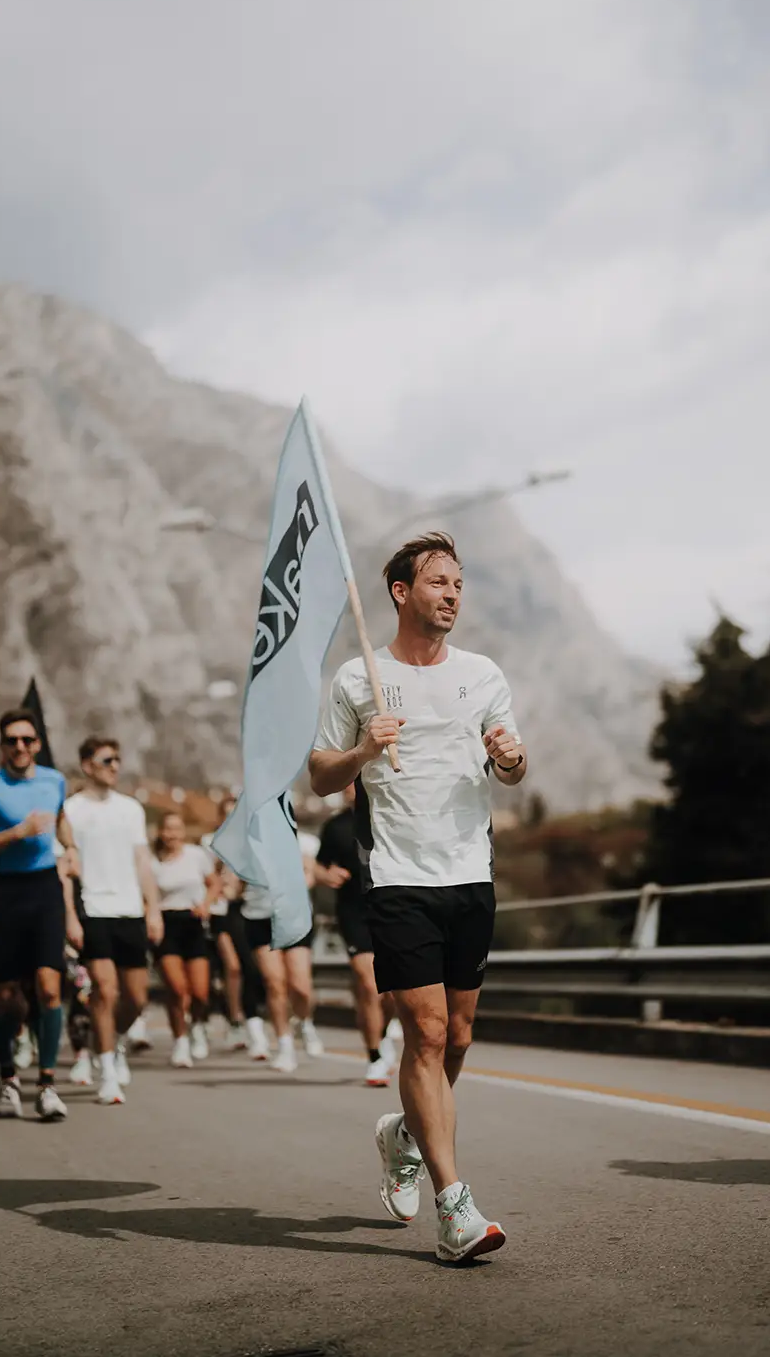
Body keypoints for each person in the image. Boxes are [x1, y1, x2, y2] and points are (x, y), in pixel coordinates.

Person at [309, 533, 526, 1263]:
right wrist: (363, 752)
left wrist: (511, 758)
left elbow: (514, 763)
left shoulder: (483, 674)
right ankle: (455, 1209)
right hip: (397, 877)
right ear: (402, 593)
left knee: (457, 1038)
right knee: (426, 1035)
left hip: (470, 873)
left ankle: (403, 1133)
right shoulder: (356, 678)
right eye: (439, 581)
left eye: (459, 583)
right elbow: (317, 775)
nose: (453, 594)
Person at [0, 709, 83, 1121]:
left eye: (27, 740)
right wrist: (16, 833)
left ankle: (48, 1085)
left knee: (50, 987)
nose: (20, 747)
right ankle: (8, 1079)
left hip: (45, 889)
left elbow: (61, 820)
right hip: (6, 891)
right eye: (12, 740)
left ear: (37, 744)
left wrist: (70, 849)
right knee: (3, 994)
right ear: (2, 745)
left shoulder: (54, 780)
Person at [64, 737, 164, 1104]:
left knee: (135, 998)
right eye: (107, 760)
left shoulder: (130, 809)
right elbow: (66, 871)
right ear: (87, 765)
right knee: (105, 991)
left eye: (118, 760)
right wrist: (70, 916)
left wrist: (153, 908)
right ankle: (106, 1072)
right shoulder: (71, 810)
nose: (115, 766)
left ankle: (113, 1042)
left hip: (130, 912)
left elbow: (142, 862)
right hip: (93, 909)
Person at [314, 786, 395, 1087]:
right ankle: (374, 1058)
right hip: (353, 913)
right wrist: (326, 876)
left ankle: (383, 1032)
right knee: (368, 983)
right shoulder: (335, 826)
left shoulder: (391, 816)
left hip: (394, 909)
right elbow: (319, 867)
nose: (352, 787)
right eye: (348, 781)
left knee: (393, 993)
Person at [241, 832, 324, 1074]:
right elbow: (231, 881)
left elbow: (310, 875)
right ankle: (285, 1046)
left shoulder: (304, 842)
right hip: (259, 919)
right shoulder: (244, 843)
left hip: (294, 918)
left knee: (301, 987)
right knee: (275, 983)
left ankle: (305, 1022)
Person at [152, 811, 221, 1067]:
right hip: (166, 923)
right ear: (161, 832)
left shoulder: (196, 855)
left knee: (201, 992)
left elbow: (214, 884)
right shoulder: (153, 862)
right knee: (177, 988)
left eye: (177, 829)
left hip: (193, 922)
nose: (172, 834)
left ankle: (198, 1026)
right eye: (168, 829)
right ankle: (180, 1041)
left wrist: (206, 904)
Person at [202, 795, 265, 1055]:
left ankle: (241, 1016)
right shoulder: (209, 843)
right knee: (233, 966)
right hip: (218, 911)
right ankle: (234, 1018)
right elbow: (205, 877)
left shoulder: (251, 842)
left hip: (242, 909)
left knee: (249, 967)